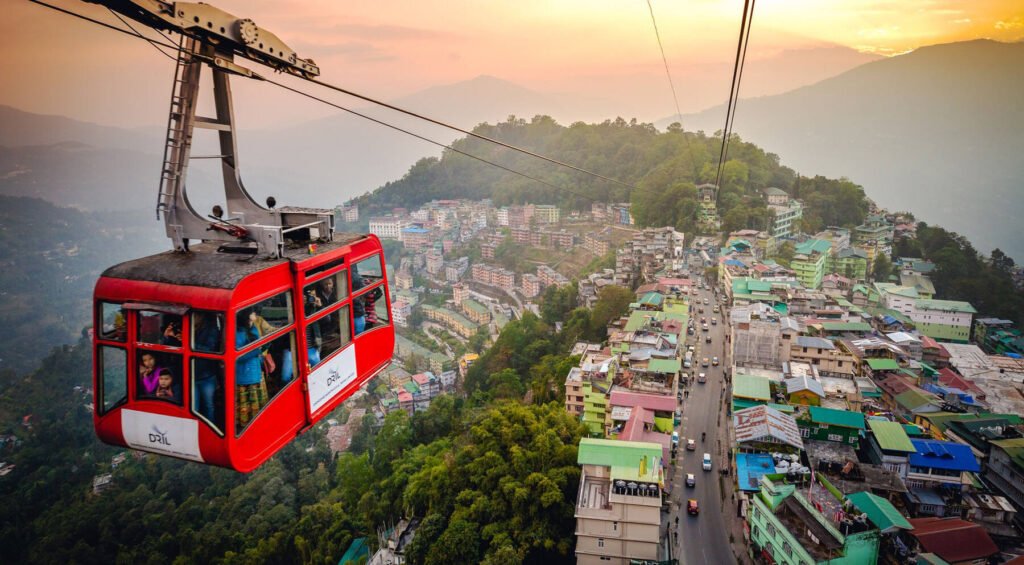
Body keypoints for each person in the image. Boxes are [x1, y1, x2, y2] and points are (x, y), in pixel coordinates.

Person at [235, 310, 268, 426]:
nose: (255, 314)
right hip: (245, 375)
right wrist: (258, 350)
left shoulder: (253, 328)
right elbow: (238, 357)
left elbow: (258, 349)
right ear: (247, 316)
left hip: (256, 371)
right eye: (253, 312)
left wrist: (266, 345)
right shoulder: (237, 333)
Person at [193, 313, 223, 424]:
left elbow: (209, 349)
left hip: (207, 375)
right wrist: (168, 336)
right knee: (193, 407)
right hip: (191, 375)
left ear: (201, 316)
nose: (193, 318)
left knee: (208, 406)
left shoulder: (212, 330)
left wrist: (189, 342)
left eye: (195, 316)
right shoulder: (187, 327)